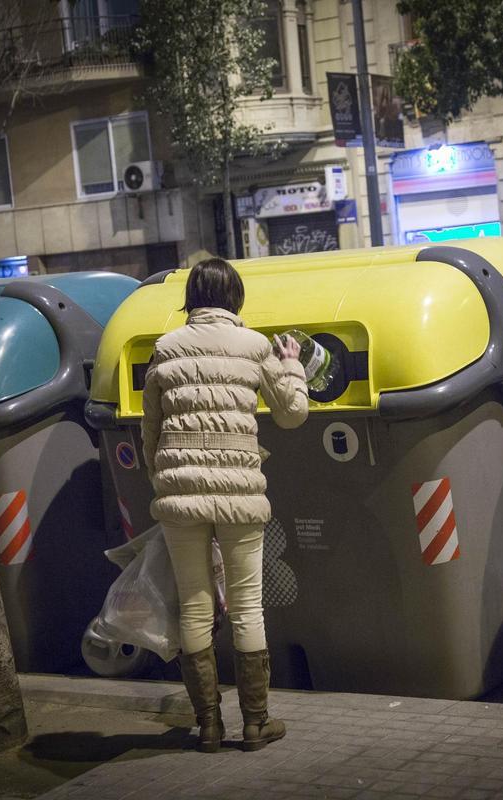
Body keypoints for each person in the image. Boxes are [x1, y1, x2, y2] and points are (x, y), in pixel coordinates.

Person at [141, 258, 309, 753]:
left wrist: (165, 480)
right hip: (239, 492)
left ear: (191, 297)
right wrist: (292, 364)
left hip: (179, 496)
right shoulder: (255, 346)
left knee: (195, 609)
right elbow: (293, 414)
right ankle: (255, 724)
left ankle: (209, 725)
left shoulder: (165, 349)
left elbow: (150, 431)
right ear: (235, 298)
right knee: (246, 607)